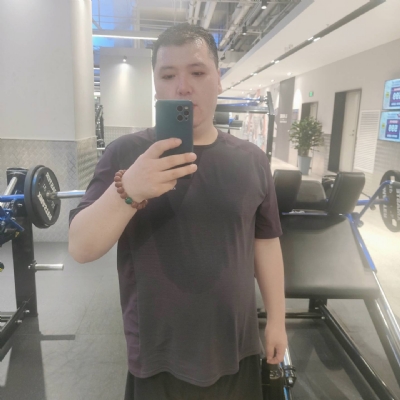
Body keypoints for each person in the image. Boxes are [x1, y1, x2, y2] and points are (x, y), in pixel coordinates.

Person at [69, 23, 287, 400]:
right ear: (156, 85)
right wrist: (129, 190)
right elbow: (80, 247)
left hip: (236, 346)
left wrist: (277, 321)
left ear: (218, 79)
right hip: (158, 354)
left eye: (197, 72)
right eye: (168, 75)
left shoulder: (251, 160)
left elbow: (265, 242)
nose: (182, 87)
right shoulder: (126, 153)